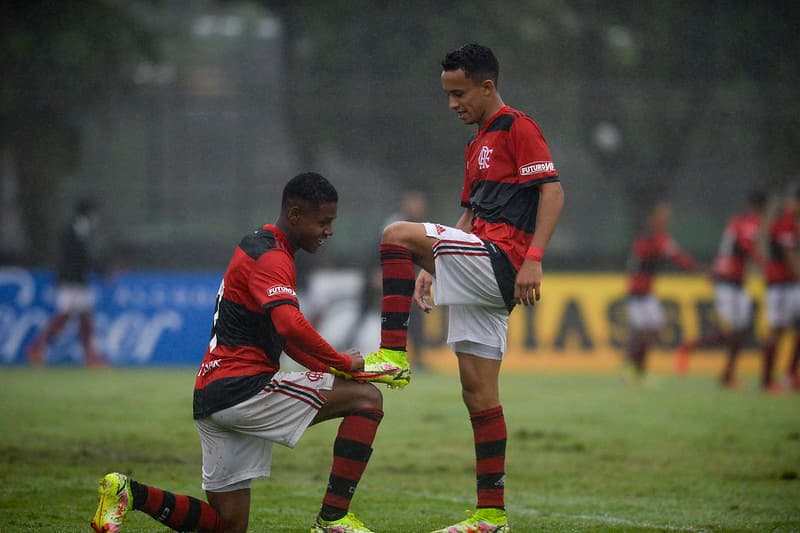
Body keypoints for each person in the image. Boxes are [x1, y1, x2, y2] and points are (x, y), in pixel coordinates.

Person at [91, 173, 390, 533]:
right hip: (244, 390)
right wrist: (343, 362)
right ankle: (333, 520)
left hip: (211, 395)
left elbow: (286, 337)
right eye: (323, 222)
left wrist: (341, 369)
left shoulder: (257, 245)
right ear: (295, 215)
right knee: (367, 400)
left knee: (226, 525)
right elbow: (291, 325)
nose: (328, 231)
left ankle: (129, 493)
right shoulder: (272, 258)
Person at [358, 43, 564, 532]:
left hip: (503, 260)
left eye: (459, 93)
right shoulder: (475, 144)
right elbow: (470, 215)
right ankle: (491, 517)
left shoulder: (518, 127)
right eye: (448, 94)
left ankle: (393, 353)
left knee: (395, 235)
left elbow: (552, 191)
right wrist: (430, 267)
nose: (452, 103)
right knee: (479, 394)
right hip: (480, 261)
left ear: (487, 86)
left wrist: (534, 259)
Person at [674, 190, 767, 388]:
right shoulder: (749, 222)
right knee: (737, 332)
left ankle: (726, 374)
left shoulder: (738, 221)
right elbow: (746, 247)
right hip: (728, 281)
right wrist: (766, 267)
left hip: (733, 282)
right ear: (763, 207)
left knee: (741, 332)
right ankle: (692, 347)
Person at [344, 190, 430, 368]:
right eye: (414, 202)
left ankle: (418, 358)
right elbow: (378, 249)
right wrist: (377, 273)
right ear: (405, 203)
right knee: (365, 312)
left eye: (419, 202)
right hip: (384, 275)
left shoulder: (422, 226)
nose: (417, 206)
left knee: (414, 315)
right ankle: (347, 349)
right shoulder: (395, 223)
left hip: (404, 279)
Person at [25, 197, 107, 366]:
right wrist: (99, 270)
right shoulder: (75, 230)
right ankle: (36, 348)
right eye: (95, 212)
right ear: (89, 212)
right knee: (65, 316)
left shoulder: (80, 230)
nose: (97, 216)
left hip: (77, 281)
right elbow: (77, 258)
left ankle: (91, 355)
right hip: (71, 281)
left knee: (84, 318)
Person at [624, 202, 698, 381]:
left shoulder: (649, 237)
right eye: (663, 216)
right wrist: (696, 269)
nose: (667, 219)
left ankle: (633, 366)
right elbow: (676, 255)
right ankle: (633, 368)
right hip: (639, 291)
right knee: (647, 332)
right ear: (653, 218)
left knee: (650, 330)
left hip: (642, 290)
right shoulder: (655, 238)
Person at [761, 189, 800, 393]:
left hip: (787, 284)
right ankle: (769, 380)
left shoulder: (789, 220)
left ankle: (789, 376)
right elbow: (788, 253)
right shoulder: (786, 221)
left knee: (786, 329)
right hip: (781, 283)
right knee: (777, 330)